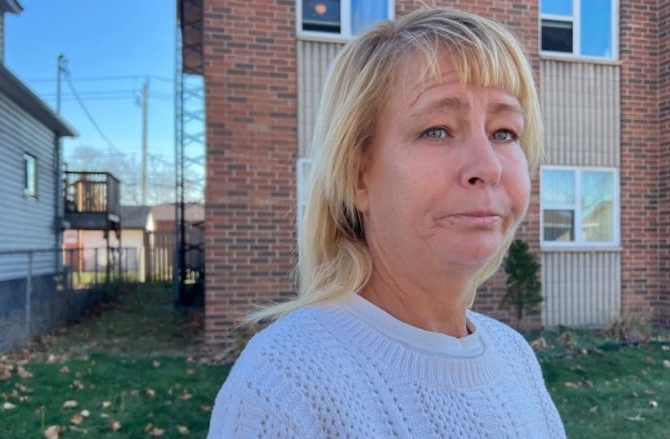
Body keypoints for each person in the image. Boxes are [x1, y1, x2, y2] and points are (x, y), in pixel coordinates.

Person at [208, 7, 565, 438]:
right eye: (437, 130)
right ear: (359, 175)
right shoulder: (285, 383)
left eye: (504, 132)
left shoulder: (515, 357)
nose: (487, 166)